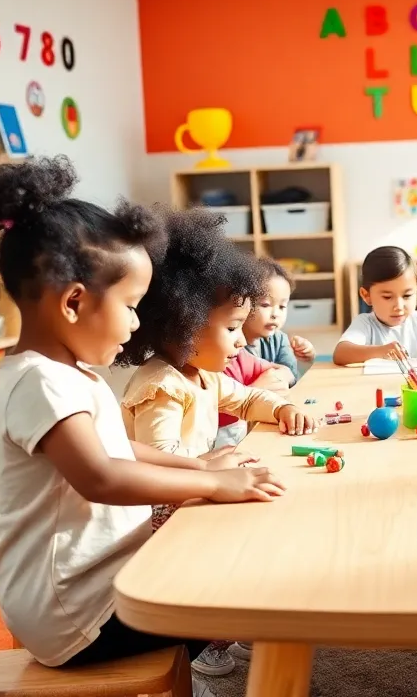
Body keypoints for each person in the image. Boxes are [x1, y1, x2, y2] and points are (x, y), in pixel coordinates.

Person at [0, 158, 283, 697]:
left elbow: (122, 449)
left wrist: (196, 464)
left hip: (93, 587)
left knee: (226, 555)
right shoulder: (39, 384)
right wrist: (211, 483)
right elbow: (102, 477)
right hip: (76, 616)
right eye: (132, 305)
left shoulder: (68, 374)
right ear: (74, 302)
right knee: (245, 587)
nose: (140, 322)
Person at [116, 208, 315, 678]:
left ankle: (235, 618)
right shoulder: (160, 385)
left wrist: (282, 408)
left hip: (192, 490)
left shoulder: (204, 373)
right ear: (182, 325)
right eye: (231, 328)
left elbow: (245, 398)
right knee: (221, 553)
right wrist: (206, 464)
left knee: (257, 516)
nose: (242, 341)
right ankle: (203, 637)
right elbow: (159, 460)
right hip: (162, 508)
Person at [333, 246, 417, 366]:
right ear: (366, 295)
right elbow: (340, 354)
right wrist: (381, 351)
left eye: (407, 296)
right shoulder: (365, 324)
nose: (399, 306)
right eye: (387, 297)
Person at [243, 258, 315, 384]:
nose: (275, 314)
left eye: (282, 307)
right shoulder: (233, 345)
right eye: (265, 305)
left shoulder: (279, 340)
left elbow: (292, 379)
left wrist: (305, 360)